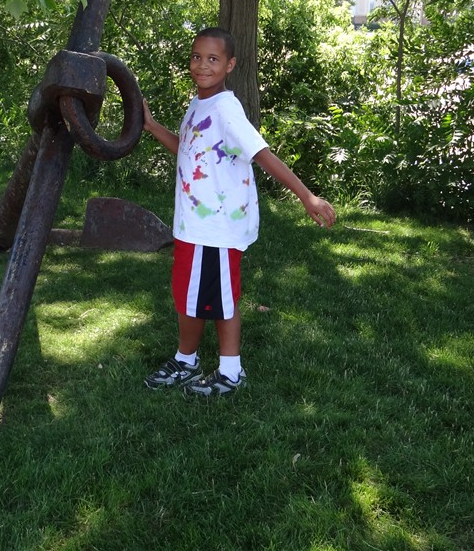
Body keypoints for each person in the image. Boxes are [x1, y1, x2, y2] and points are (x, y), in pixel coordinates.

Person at [141, 27, 336, 396]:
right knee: (189, 296)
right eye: (197, 57)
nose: (202, 65)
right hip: (194, 227)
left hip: (215, 229)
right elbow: (187, 149)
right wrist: (151, 126)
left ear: (230, 65)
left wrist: (306, 196)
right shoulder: (200, 104)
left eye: (213, 59)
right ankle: (186, 360)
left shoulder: (226, 110)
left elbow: (262, 154)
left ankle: (230, 372)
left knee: (221, 301)